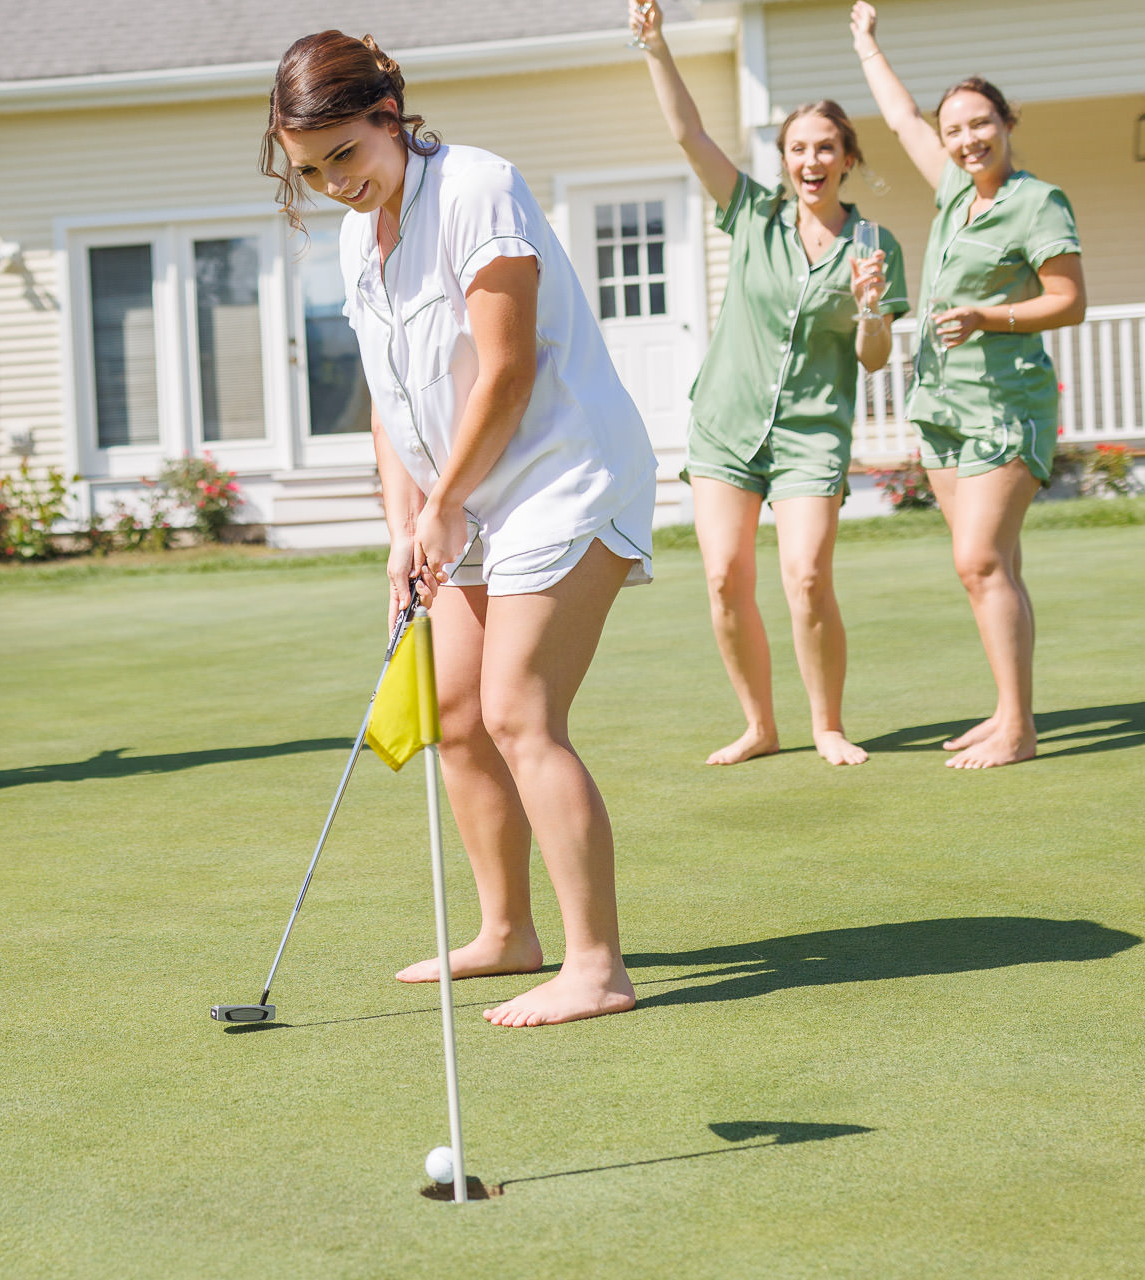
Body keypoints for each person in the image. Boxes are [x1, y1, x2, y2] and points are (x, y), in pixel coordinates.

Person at [265, 32, 656, 1026]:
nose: (333, 184)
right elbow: (394, 403)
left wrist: (444, 506)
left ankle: (597, 964)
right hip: (471, 496)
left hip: (567, 474)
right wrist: (407, 525)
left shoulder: (478, 187)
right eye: (310, 171)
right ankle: (506, 931)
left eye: (345, 155)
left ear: (390, 115)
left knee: (521, 707)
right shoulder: (362, 240)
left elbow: (510, 369)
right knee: (453, 710)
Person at [634, 0, 905, 767]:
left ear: (848, 157)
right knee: (723, 578)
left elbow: (876, 357)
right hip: (725, 425)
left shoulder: (874, 245)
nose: (811, 160)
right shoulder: (751, 214)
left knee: (808, 576)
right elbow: (690, 134)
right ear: (783, 159)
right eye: (797, 148)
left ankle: (827, 725)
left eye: (826, 148)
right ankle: (760, 724)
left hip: (810, 437)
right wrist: (656, 47)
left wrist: (872, 306)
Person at [851, 2, 1086, 768]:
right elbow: (897, 116)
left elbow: (1069, 300)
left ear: (1006, 123)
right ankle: (1007, 710)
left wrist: (991, 315)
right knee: (993, 567)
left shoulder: (1036, 200)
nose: (966, 139)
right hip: (944, 408)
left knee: (979, 560)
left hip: (1008, 407)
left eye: (980, 124)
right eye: (955, 130)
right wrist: (866, 44)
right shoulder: (956, 190)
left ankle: (1018, 729)